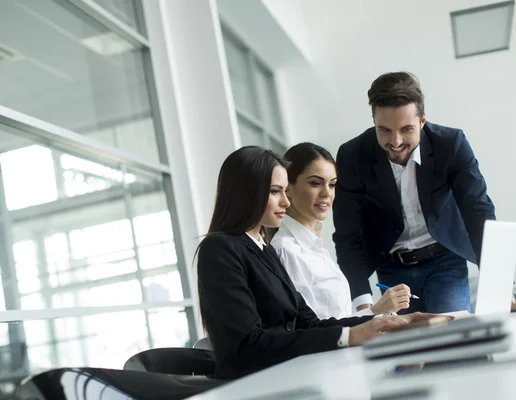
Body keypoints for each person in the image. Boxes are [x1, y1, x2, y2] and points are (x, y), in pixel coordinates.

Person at [197, 146, 438, 379]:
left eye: (284, 191)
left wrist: (385, 321)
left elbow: (307, 323)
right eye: (275, 191)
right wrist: (349, 336)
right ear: (246, 193)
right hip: (259, 384)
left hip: (288, 375)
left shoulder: (263, 249)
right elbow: (248, 344)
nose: (286, 202)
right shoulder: (220, 249)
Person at [333, 72, 496, 314]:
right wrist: (362, 303)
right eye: (384, 130)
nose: (395, 141)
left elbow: (477, 211)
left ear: (422, 121)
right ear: (373, 121)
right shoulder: (352, 157)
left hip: (444, 261)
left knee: (455, 338)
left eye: (406, 129)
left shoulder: (451, 144)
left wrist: (498, 285)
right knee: (407, 346)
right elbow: (348, 235)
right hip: (390, 268)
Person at [271, 142, 411, 319]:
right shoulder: (287, 250)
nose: (326, 194)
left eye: (332, 185)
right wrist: (375, 312)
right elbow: (309, 331)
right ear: (288, 188)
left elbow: (334, 320)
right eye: (315, 183)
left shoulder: (315, 247)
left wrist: (380, 315)